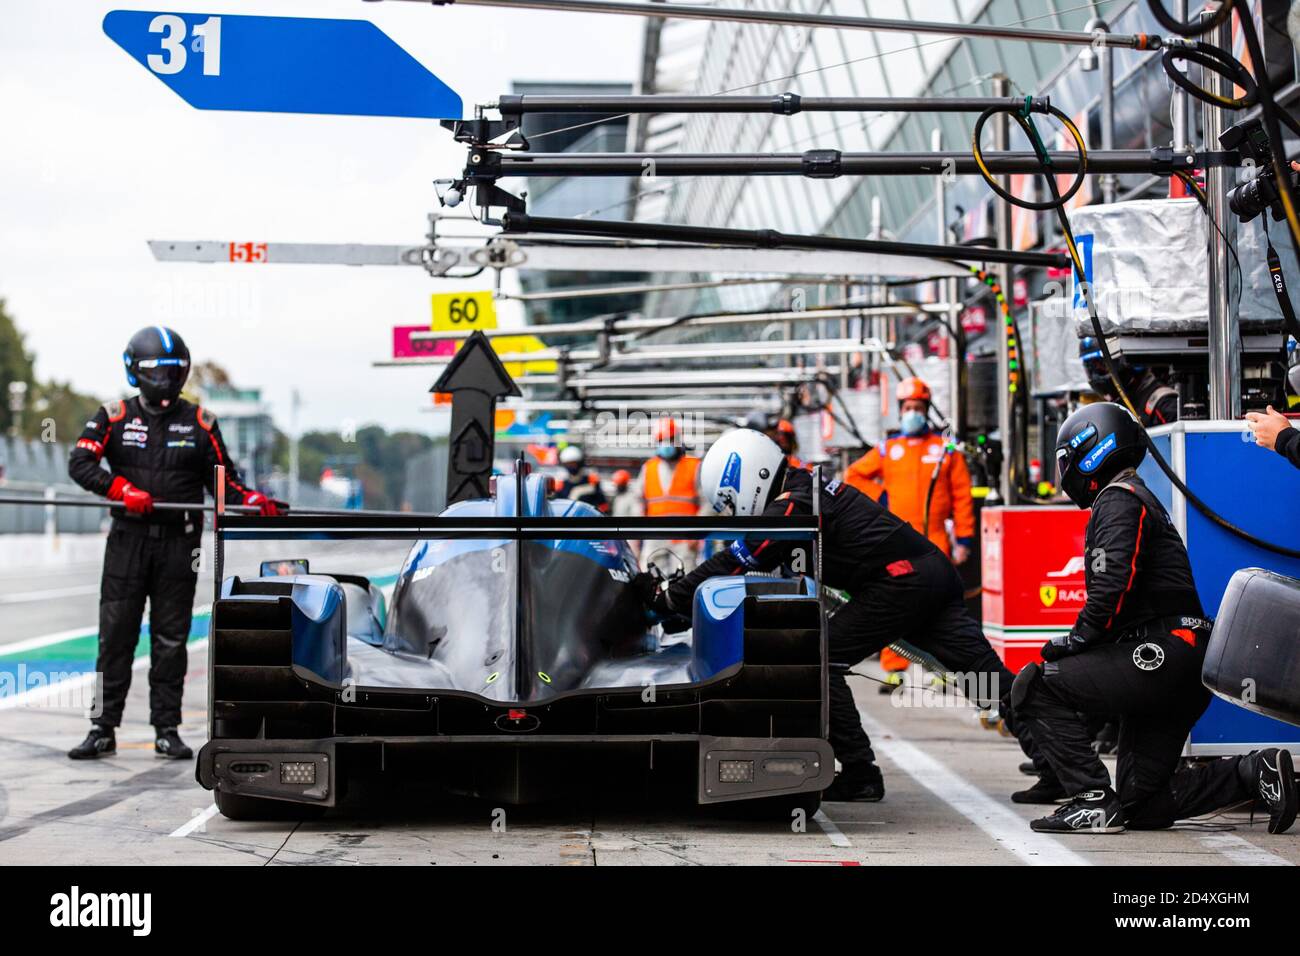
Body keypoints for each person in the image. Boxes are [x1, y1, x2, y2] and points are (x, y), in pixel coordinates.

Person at [636, 428, 1020, 802]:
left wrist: (671, 598)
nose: (737, 510)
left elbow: (740, 558)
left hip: (904, 581)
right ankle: (1065, 765)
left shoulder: (792, 504)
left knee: (823, 659)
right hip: (925, 573)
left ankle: (860, 773)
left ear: (751, 475)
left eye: (732, 500)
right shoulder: (802, 491)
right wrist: (684, 607)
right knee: (985, 676)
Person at [1010, 402, 1296, 834]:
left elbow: (1112, 590)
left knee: (1033, 685)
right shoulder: (1135, 495)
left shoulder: (1118, 500)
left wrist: (1075, 641)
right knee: (1142, 805)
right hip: (1182, 659)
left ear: (1092, 449)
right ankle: (1252, 773)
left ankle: (1090, 800)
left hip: (1161, 654)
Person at [66, 326, 282, 761]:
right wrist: (120, 490)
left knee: (170, 639)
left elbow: (225, 485)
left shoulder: (201, 422)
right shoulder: (112, 417)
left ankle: (167, 729)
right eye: (156, 370)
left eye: (170, 370)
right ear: (137, 372)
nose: (163, 378)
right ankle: (102, 727)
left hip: (179, 544)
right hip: (127, 539)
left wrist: (254, 500)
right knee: (115, 636)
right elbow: (80, 462)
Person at [845, 377, 975, 688]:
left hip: (936, 541)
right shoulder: (888, 450)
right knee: (893, 603)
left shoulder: (945, 451)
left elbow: (962, 496)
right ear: (900, 411)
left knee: (939, 608)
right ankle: (893, 669)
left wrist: (965, 539)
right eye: (907, 407)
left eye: (918, 407)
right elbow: (853, 475)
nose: (912, 412)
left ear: (926, 410)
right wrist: (880, 499)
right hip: (897, 541)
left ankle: (941, 669)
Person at [639, 418, 703, 571]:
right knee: (650, 581)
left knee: (685, 582)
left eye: (670, 439)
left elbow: (707, 503)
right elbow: (639, 503)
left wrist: (698, 532)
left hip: (685, 538)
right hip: (655, 538)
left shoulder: (694, 466)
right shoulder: (649, 468)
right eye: (662, 440)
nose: (666, 444)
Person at [1079, 336, 1179, 426]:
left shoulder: (1161, 402)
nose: (1095, 376)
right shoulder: (1116, 408)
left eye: (1102, 366)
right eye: (1090, 368)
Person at [555, 445, 608, 513]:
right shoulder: (562, 484)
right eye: (568, 464)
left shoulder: (590, 480)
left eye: (573, 464)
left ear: (579, 463)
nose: (571, 467)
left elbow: (602, 503)